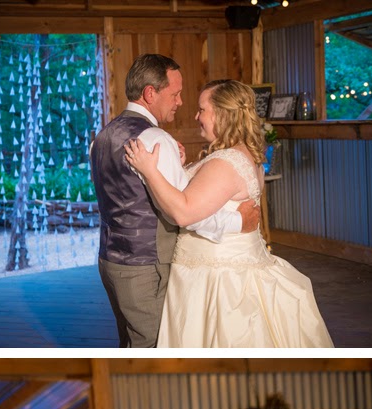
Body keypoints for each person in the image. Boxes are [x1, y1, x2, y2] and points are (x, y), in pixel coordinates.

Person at [124, 79, 334, 347]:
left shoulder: (225, 162)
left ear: (223, 114)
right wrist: (181, 166)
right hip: (228, 268)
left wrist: (150, 170)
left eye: (202, 110)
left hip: (219, 282)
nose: (196, 116)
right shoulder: (240, 154)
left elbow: (184, 213)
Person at [89, 54, 259, 348]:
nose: (180, 102)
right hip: (147, 264)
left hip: (109, 260)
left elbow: (126, 195)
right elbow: (187, 211)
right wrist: (239, 221)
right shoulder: (156, 140)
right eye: (176, 94)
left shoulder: (102, 136)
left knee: (128, 342)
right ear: (150, 93)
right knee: (153, 347)